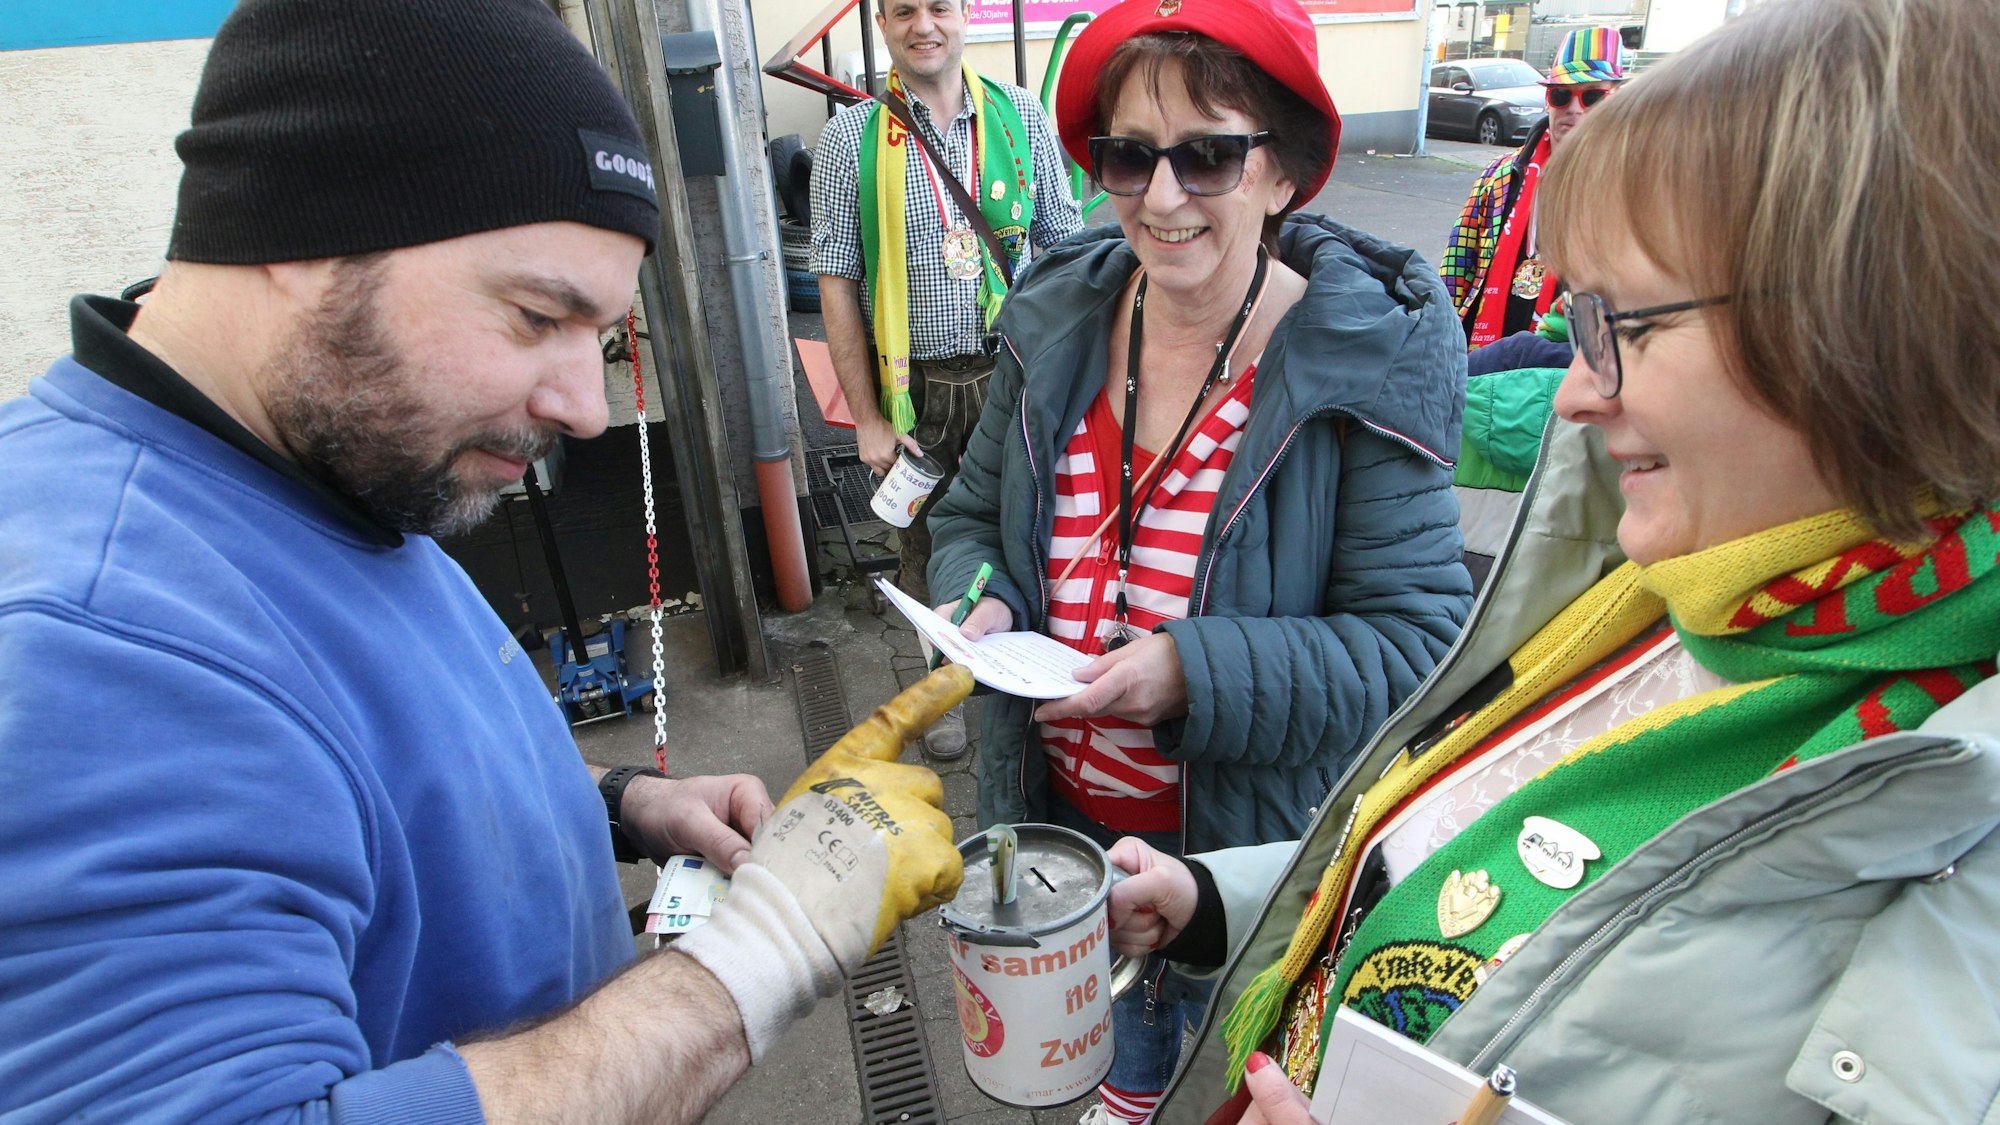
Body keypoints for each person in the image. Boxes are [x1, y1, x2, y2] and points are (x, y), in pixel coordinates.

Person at [0, 2, 963, 1121]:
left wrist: (607, 806)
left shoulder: (305, 470)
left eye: (595, 336)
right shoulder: (90, 645)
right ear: (304, 234)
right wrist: (764, 950)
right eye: (533, 314)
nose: (584, 407)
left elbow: (343, 782)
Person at [1103, 1, 2000, 1121]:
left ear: (1863, 333)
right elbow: (1456, 850)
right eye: (1125, 157)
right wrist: (1214, 898)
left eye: (1620, 323)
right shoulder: (1670, 595)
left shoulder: (1953, 811)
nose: (1575, 391)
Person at [924, 0, 1473, 1117]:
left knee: (1229, 1093)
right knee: (1110, 1073)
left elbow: (1416, 646)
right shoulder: (1058, 324)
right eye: (1129, 157)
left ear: (1284, 171)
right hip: (1069, 851)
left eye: (1208, 155)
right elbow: (971, 519)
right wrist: (975, 606)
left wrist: (1189, 673)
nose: (1161, 198)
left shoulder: (1359, 366)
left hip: (1254, 873)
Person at [810, 0, 1083, 759]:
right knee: (925, 545)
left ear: (964, 15)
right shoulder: (849, 140)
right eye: (903, 11)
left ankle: (1034, 673)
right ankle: (945, 688)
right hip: (915, 390)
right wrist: (865, 415)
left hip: (1016, 372)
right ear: (885, 26)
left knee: (1035, 525)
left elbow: (1065, 251)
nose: (922, 24)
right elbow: (837, 280)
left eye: (939, 6)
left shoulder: (1020, 118)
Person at [1440, 26, 1627, 352]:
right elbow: (1457, 266)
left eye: (1592, 96)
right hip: (1486, 364)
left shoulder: (1632, 188)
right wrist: (1440, 336)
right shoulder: (1499, 175)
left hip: (1574, 364)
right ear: (1547, 100)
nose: (1575, 108)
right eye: (1561, 95)